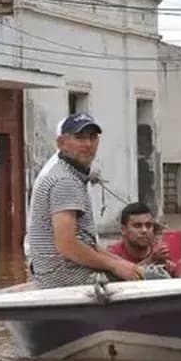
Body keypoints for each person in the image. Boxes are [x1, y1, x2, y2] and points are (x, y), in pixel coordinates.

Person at [25, 113, 142, 288]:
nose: (88, 144)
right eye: (79, 138)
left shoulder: (70, 174)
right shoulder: (65, 181)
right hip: (67, 278)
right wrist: (115, 265)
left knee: (139, 271)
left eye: (93, 138)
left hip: (62, 273)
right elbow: (67, 245)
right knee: (157, 279)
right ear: (61, 144)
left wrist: (121, 263)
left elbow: (87, 243)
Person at [107, 202, 181, 278]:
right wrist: (151, 260)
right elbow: (118, 279)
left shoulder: (162, 250)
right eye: (137, 226)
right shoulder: (112, 254)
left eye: (148, 225)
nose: (144, 230)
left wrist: (177, 271)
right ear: (123, 230)